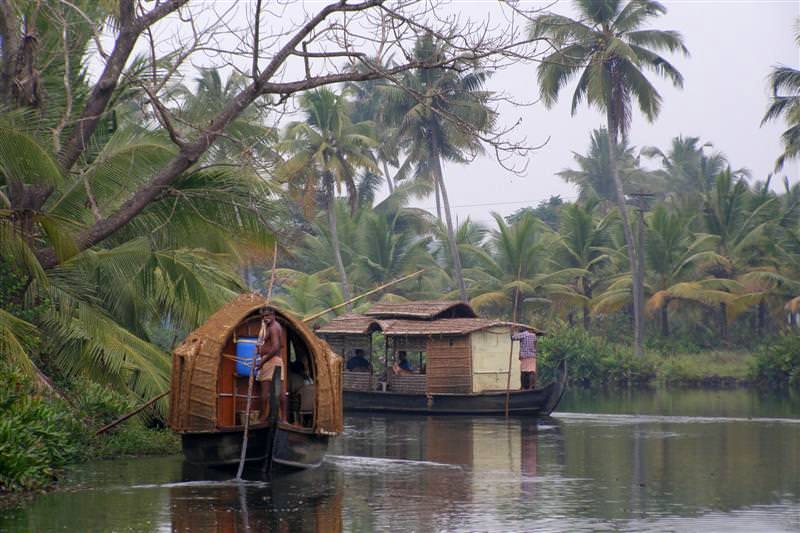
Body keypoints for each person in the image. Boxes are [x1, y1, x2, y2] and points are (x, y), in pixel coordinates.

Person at [256, 308, 285, 422]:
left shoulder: (273, 328)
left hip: (270, 361)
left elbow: (276, 347)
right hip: (276, 361)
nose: (265, 318)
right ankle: (283, 418)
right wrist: (261, 350)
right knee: (281, 390)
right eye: (263, 316)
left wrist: (262, 361)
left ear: (274, 315)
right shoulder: (276, 327)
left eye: (267, 315)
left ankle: (264, 417)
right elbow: (280, 345)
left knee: (265, 391)